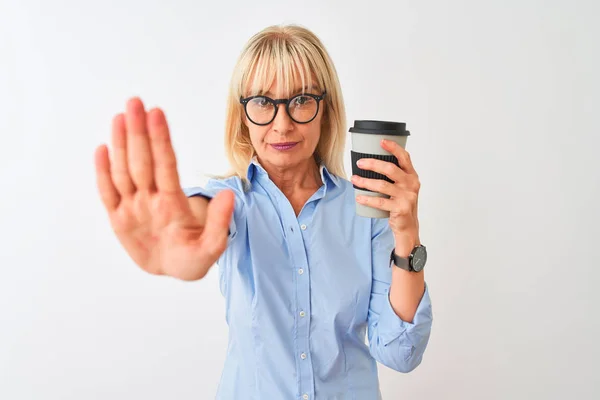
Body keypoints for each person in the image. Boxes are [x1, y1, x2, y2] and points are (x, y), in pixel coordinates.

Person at [94, 24, 433, 400]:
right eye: (262, 102)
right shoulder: (232, 202)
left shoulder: (364, 209)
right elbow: (201, 215)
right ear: (242, 114)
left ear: (326, 109)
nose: (282, 123)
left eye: (301, 100)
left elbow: (400, 351)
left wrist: (407, 234)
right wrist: (182, 234)